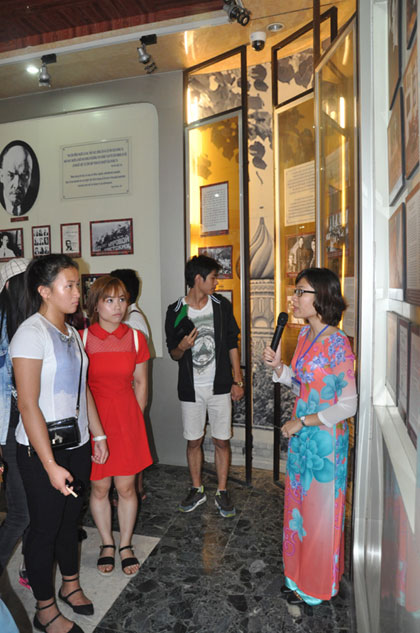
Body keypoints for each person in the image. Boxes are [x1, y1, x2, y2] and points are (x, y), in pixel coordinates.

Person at [10, 254, 108, 633]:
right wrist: (50, 464)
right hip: (41, 450)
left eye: (77, 284)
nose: (78, 292)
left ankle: (70, 584)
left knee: (70, 521)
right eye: (69, 285)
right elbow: (27, 404)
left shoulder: (71, 331)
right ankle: (45, 609)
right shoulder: (31, 334)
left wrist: (97, 434)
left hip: (76, 443)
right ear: (44, 291)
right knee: (44, 528)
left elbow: (83, 390)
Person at [263, 267, 357, 608]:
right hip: (302, 436)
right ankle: (297, 577)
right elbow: (303, 385)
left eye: (301, 291)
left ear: (322, 297)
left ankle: (317, 585)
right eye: (295, 291)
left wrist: (303, 422)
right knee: (299, 510)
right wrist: (280, 368)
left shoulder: (338, 342)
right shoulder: (304, 335)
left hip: (325, 443)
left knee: (320, 516)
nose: (294, 298)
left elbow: (348, 403)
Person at [83, 275, 152, 577]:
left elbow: (141, 383)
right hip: (94, 419)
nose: (117, 306)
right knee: (100, 487)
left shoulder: (136, 338)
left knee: (126, 487)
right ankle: (106, 543)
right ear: (95, 305)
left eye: (122, 299)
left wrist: (134, 421)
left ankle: (125, 544)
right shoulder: (82, 339)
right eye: (109, 300)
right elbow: (80, 387)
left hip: (126, 419)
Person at [165, 255, 244, 518]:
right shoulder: (176, 311)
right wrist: (182, 347)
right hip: (191, 388)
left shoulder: (221, 305)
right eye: (213, 277)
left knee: (221, 440)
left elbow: (232, 343)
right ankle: (197, 488)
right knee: (194, 440)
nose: (216, 282)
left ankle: (222, 490)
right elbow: (173, 353)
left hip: (219, 386)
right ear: (198, 279)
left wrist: (237, 379)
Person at [0, 259, 30, 579]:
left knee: (34, 506)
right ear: (9, 287)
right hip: (9, 430)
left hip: (32, 427)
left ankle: (28, 566)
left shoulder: (32, 323)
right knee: (21, 511)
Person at [110, 268, 150, 500]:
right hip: (123, 398)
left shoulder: (133, 322)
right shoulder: (128, 319)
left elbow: (135, 373)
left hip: (129, 398)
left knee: (130, 449)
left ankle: (134, 491)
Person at [0, 144, 33, 216]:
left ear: (30, 177)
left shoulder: (35, 201)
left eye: (24, 175)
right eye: (10, 175)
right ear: (1, 176)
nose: (17, 184)